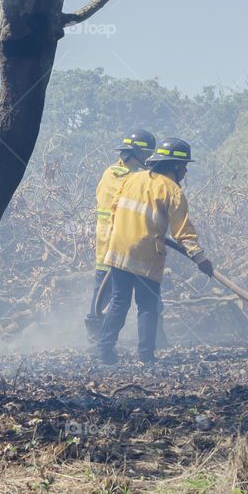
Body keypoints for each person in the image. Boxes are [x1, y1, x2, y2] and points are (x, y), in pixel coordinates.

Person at [96, 138, 213, 363]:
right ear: (175, 166)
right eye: (184, 166)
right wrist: (201, 259)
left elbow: (114, 209)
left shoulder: (133, 179)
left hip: (119, 249)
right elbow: (183, 232)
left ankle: (105, 352)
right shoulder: (172, 190)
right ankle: (146, 357)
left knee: (119, 301)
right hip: (146, 255)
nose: (186, 171)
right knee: (147, 305)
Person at [85, 129, 156, 342]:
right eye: (147, 154)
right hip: (121, 244)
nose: (148, 159)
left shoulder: (113, 172)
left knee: (107, 291)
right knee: (115, 295)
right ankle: (99, 339)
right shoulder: (129, 177)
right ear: (138, 154)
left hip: (112, 243)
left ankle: (98, 337)